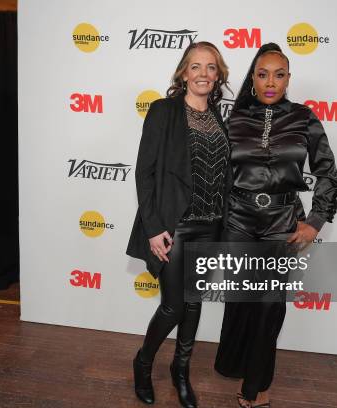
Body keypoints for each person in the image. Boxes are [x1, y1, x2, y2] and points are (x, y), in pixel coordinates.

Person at [214, 43, 337, 408]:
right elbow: (214, 174)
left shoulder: (304, 117)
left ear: (288, 78)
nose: (271, 82)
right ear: (253, 78)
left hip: (282, 222)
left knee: (269, 305)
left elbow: (327, 172)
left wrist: (316, 221)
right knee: (240, 300)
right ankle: (234, 363)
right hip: (237, 221)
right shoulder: (232, 118)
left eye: (279, 74)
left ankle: (256, 386)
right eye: (263, 73)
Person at [126, 41, 230, 408]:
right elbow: (145, 172)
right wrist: (154, 228)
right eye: (196, 67)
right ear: (184, 72)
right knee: (173, 305)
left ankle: (180, 371)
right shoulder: (164, 111)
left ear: (219, 76)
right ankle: (143, 363)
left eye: (211, 68)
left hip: (211, 225)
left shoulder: (219, 116)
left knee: (195, 302)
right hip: (177, 225)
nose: (204, 74)